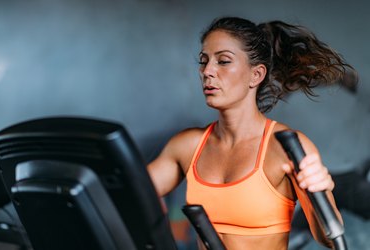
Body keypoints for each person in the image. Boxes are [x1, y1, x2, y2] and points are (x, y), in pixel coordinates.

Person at [147, 16, 355, 250]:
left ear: (256, 75)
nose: (208, 71)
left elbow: (329, 238)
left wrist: (320, 192)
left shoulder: (286, 147)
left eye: (223, 61)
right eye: (204, 61)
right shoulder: (187, 145)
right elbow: (132, 191)